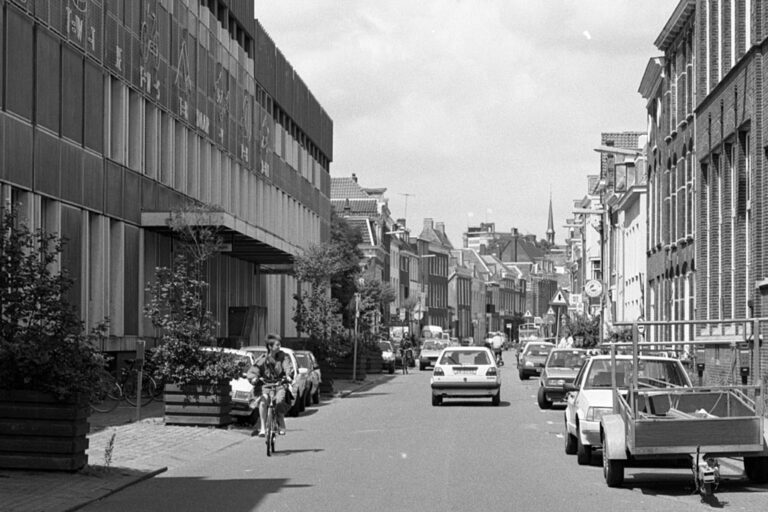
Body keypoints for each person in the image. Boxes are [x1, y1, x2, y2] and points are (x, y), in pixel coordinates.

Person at [246, 334, 294, 437]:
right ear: (270, 347)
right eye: (277, 345)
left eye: (279, 344)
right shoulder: (264, 358)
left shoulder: (283, 357)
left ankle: (281, 421)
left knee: (280, 401)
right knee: (263, 401)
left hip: (279, 384)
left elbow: (287, 367)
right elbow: (254, 370)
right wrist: (254, 378)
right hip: (266, 385)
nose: (279, 346)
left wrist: (288, 376)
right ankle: (263, 428)